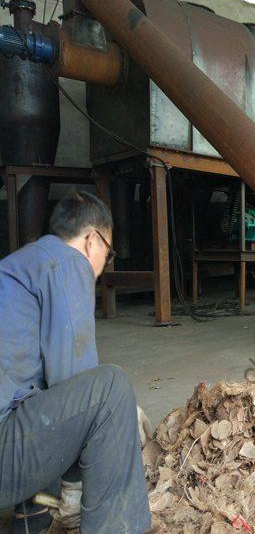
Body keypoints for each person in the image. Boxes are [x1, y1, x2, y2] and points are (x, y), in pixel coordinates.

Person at [0, 192, 152, 533]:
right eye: (108, 253)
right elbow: (74, 377)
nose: (102, 266)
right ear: (90, 240)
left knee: (36, 400)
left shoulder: (19, 266)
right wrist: (77, 481)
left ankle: (34, 520)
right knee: (111, 388)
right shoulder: (66, 262)